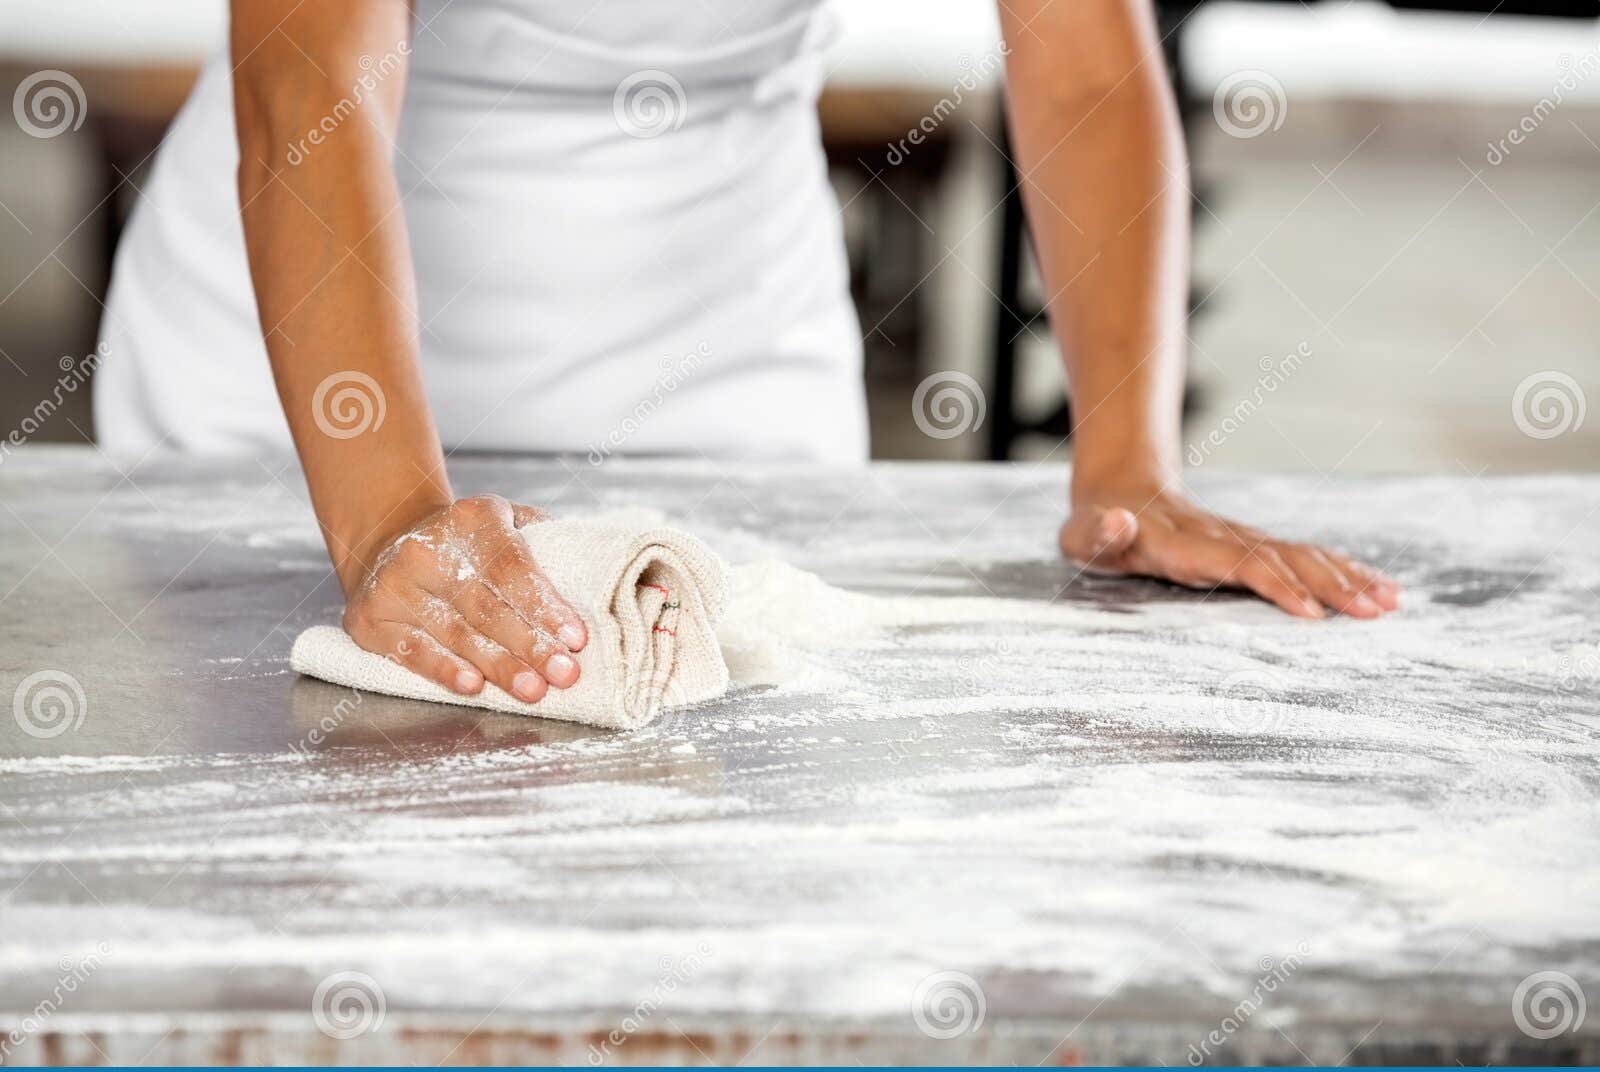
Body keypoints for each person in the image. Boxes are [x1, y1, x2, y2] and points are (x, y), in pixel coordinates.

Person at [95, 0, 1401, 707]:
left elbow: (1082, 65)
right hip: (301, 403)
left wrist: (1129, 464)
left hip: (720, 343)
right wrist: (390, 522)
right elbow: (310, 79)